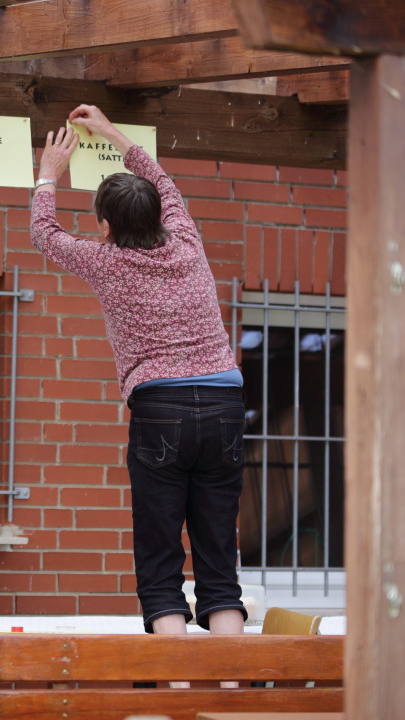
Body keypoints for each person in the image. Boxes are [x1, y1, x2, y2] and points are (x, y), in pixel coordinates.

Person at [30, 105, 247, 641]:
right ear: (159, 216)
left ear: (105, 227)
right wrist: (110, 132)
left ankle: (177, 682)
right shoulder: (187, 240)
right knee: (219, 557)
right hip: (224, 406)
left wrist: (48, 174)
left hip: (160, 409)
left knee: (159, 555)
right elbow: (162, 180)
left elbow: (45, 235)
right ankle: (231, 682)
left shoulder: (104, 262)